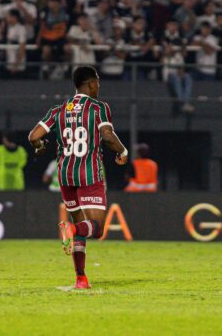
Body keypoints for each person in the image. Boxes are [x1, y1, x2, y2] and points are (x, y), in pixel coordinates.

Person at [28, 66, 128, 289]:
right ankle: (72, 231)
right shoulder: (99, 108)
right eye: (98, 83)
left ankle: (81, 279)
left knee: (80, 223)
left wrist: (40, 147)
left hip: (65, 175)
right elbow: (107, 135)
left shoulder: (59, 110)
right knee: (96, 228)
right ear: (91, 83)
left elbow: (34, 136)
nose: (99, 87)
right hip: (89, 173)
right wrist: (122, 152)